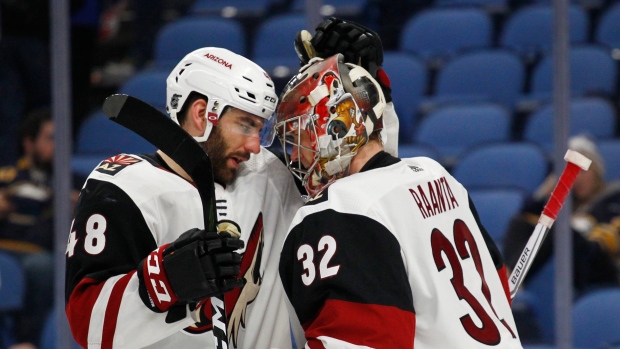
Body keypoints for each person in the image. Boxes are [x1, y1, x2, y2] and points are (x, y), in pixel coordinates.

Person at [64, 47, 307, 348]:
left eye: (259, 128)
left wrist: (364, 88)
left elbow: (365, 185)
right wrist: (167, 280)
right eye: (245, 125)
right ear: (202, 114)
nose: (255, 146)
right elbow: (88, 325)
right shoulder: (124, 185)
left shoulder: (271, 179)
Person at [274, 53, 523, 348]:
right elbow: (497, 283)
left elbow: (368, 341)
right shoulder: (436, 175)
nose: (292, 155)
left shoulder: (339, 210)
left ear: (335, 128)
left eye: (300, 136)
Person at [0, 108, 85, 349]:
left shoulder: (76, 181)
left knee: (43, 268)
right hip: (6, 248)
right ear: (29, 143)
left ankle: (29, 342)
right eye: (50, 139)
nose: (58, 146)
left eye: (62, 139)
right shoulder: (7, 176)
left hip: (42, 253)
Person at [503, 135, 620, 294]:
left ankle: (512, 280)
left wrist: (580, 228)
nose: (577, 179)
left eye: (583, 172)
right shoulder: (569, 204)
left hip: (602, 259)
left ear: (597, 172)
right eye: (572, 173)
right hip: (574, 259)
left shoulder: (613, 196)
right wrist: (552, 184)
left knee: (559, 228)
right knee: (520, 223)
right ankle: (508, 275)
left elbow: (610, 238)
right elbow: (527, 214)